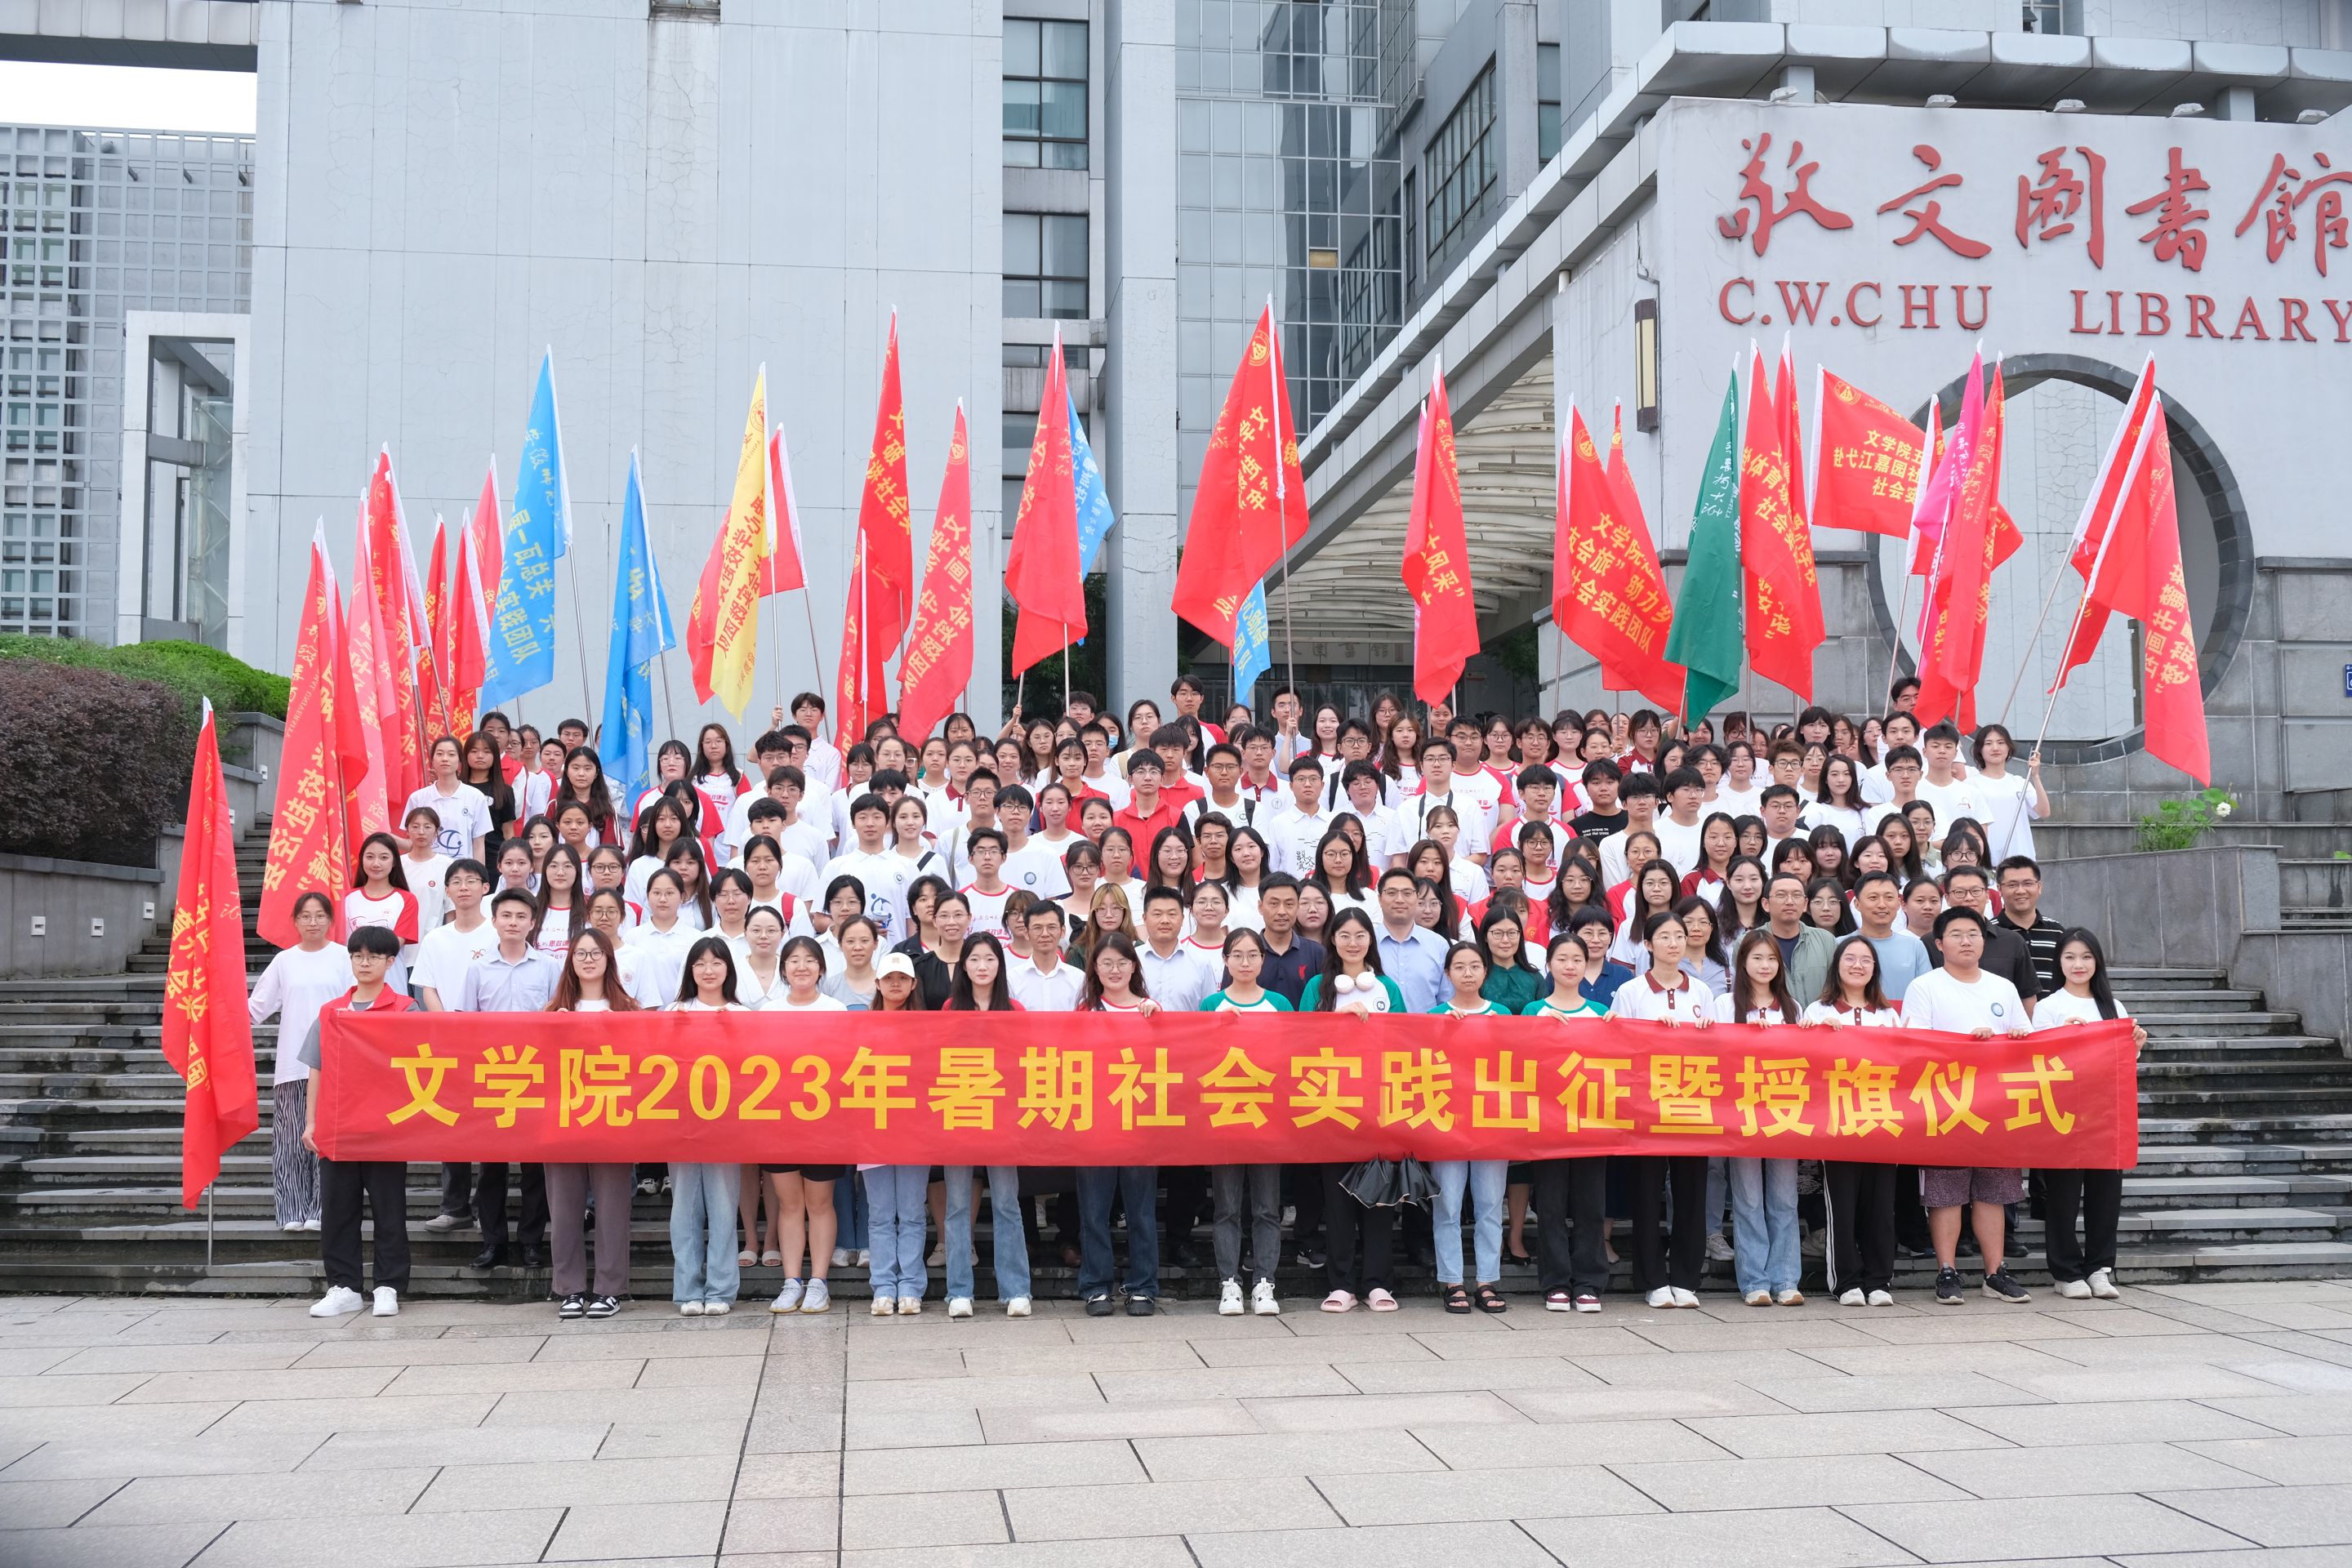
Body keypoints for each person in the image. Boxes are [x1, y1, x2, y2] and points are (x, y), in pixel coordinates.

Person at [1904, 906, 2035, 1306]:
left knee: (1994, 1192)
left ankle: (1995, 1274)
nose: (1966, 941)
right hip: (1945, 1104)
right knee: (1946, 1193)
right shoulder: (1925, 987)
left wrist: (2013, 1038)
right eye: (1956, 935)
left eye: (1973, 934)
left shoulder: (2003, 987)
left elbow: (2028, 1043)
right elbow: (1915, 1045)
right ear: (1939, 944)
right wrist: (1966, 1044)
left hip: (1996, 1106)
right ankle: (1947, 1271)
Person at [296, 925, 412, 1318]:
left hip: (385, 1127)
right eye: (358, 956)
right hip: (338, 1125)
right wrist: (311, 1121)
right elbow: (315, 1068)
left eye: (374, 957)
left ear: (390, 962)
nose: (365, 963)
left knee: (389, 1209)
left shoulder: (405, 1009)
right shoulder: (331, 1012)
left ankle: (388, 1286)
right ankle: (343, 1286)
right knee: (338, 1210)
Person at [1300, 910, 1407, 1312]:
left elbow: (1405, 1038)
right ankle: (1341, 1284)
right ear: (1333, 940)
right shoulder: (1318, 987)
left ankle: (1379, 1283)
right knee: (1338, 1198)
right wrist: (1335, 1021)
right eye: (1344, 935)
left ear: (1370, 941)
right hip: (1333, 1104)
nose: (1352, 943)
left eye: (1360, 935)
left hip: (1378, 1105)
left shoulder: (1386, 987)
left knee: (1379, 1197)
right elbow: (1300, 1039)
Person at [1608, 909, 1715, 1308]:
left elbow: (1718, 1049)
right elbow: (1619, 1047)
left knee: (1691, 1193)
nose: (1674, 943)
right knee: (1646, 1192)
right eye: (1665, 937)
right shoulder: (1631, 991)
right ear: (1649, 944)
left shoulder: (1702, 992)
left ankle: (1686, 1278)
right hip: (1646, 1106)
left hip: (1693, 1104)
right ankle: (1653, 1279)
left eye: (1680, 936)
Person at [453, 889, 563, 1270]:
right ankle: (493, 1242)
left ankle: (532, 1241)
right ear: (495, 921)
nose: (513, 923)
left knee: (536, 1166)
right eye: (506, 916)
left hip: (536, 1075)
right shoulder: (478, 969)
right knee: (491, 1167)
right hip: (493, 1077)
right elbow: (465, 1023)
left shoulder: (549, 967)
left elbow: (559, 1021)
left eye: (520, 917)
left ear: (533, 923)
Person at [2036, 929, 2147, 1300]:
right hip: (2062, 1115)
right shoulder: (2049, 1007)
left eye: (2086, 956)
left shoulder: (2113, 1007)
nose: (2078, 964)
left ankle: (2100, 1268)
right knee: (2063, 1198)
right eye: (2069, 957)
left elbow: (2121, 1065)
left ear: (2097, 961)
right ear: (2059, 962)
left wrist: (2135, 1046)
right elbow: (2036, 1062)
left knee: (2105, 1196)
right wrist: (2063, 1037)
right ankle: (2066, 1271)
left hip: (2106, 1114)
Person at [1804, 933, 1904, 1306]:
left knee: (1881, 1206)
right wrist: (1819, 1036)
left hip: (1882, 1121)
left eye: (1866, 960)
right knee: (1842, 1206)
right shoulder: (1817, 1011)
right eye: (1850, 958)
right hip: (1838, 1123)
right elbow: (1804, 1065)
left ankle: (1879, 1280)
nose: (1857, 966)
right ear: (1837, 965)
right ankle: (1845, 1281)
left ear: (1875, 968)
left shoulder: (1889, 1015)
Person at [542, 929, 637, 1319]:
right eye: (580, 953)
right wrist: (553, 1031)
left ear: (609, 958)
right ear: (570, 960)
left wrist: (622, 1030)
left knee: (613, 1208)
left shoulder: (627, 1009)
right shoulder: (554, 1010)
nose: (588, 960)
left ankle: (609, 1289)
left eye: (596, 953)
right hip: (562, 1121)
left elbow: (645, 1064)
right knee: (564, 1210)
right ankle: (570, 1289)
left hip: (612, 1119)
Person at [246, 891, 350, 1233]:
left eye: (320, 916)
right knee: (290, 1139)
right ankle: (291, 1209)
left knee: (326, 1140)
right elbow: (255, 1009)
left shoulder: (344, 957)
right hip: (292, 1064)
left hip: (334, 1063)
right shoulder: (284, 961)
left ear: (330, 920)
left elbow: (358, 1006)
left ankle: (322, 1208)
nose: (313, 922)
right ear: (295, 921)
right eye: (305, 916)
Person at [1717, 930, 1804, 1307]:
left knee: (1784, 1198)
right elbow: (1714, 1053)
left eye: (1771, 959)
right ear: (1742, 963)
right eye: (1757, 958)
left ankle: (1786, 1279)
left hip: (1784, 1111)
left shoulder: (1793, 1008)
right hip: (1742, 1113)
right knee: (1748, 1198)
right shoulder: (1724, 1005)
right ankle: (1754, 1280)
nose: (1765, 965)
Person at [1076, 934, 1162, 1316]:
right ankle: (1096, 1287)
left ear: (1133, 967)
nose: (1114, 970)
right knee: (1094, 1212)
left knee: (1140, 1212)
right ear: (1095, 968)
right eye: (1106, 963)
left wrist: (1158, 1021)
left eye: (1122, 963)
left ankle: (1143, 1286)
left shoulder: (1150, 1010)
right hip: (1095, 1125)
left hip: (1140, 1126)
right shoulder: (1085, 1012)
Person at [1526, 934, 1610, 1312]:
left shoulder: (1600, 1012)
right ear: (1549, 965)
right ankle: (1556, 1282)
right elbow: (1517, 1060)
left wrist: (1616, 1029)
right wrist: (1538, 1030)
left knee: (1591, 1206)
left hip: (1592, 1123)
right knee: (1551, 1206)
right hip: (1547, 1123)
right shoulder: (1533, 1011)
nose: (1570, 966)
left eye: (1577, 959)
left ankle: (1589, 1282)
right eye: (1562, 958)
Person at [1429, 942, 1510, 1315]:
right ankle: (1452, 1281)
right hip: (1446, 1121)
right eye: (1459, 967)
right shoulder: (1434, 1016)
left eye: (1475, 966)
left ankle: (1487, 1281)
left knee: (1490, 1204)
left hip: (1491, 1121)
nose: (1467, 973)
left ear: (1485, 972)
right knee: (1447, 1204)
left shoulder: (1502, 1015)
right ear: (1447, 974)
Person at [668, 937, 745, 1314]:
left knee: (723, 1206)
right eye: (700, 963)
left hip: (726, 1124)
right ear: (690, 970)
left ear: (728, 969)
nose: (708, 970)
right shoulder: (675, 1011)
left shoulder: (742, 1015)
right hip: (680, 1121)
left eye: (716, 963)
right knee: (684, 1208)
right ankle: (687, 1290)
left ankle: (720, 1290)